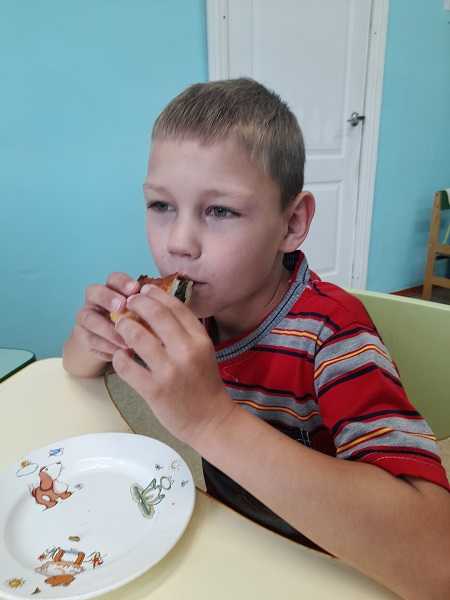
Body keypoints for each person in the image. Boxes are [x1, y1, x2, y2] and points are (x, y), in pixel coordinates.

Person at [63, 78, 450, 599]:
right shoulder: (189, 308)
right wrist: (93, 334)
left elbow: (437, 560)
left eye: (220, 211)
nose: (178, 243)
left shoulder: (333, 334)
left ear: (292, 223)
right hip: (234, 541)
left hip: (328, 563)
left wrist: (210, 420)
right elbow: (74, 366)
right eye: (161, 205)